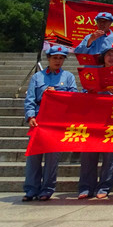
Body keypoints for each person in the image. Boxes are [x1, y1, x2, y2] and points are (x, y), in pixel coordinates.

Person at [23, 45, 77, 201]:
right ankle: (31, 189)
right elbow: (30, 99)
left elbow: (73, 97)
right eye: (55, 58)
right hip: (39, 119)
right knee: (34, 157)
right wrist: (30, 116)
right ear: (48, 58)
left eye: (61, 58)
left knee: (52, 158)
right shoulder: (37, 77)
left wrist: (58, 93)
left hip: (56, 121)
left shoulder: (68, 77)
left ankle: (47, 189)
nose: (58, 61)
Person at [78, 44, 113, 199]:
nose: (111, 57)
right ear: (103, 57)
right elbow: (84, 92)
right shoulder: (94, 72)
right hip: (94, 118)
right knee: (88, 154)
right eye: (108, 54)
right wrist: (92, 91)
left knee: (110, 156)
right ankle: (86, 187)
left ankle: (104, 187)